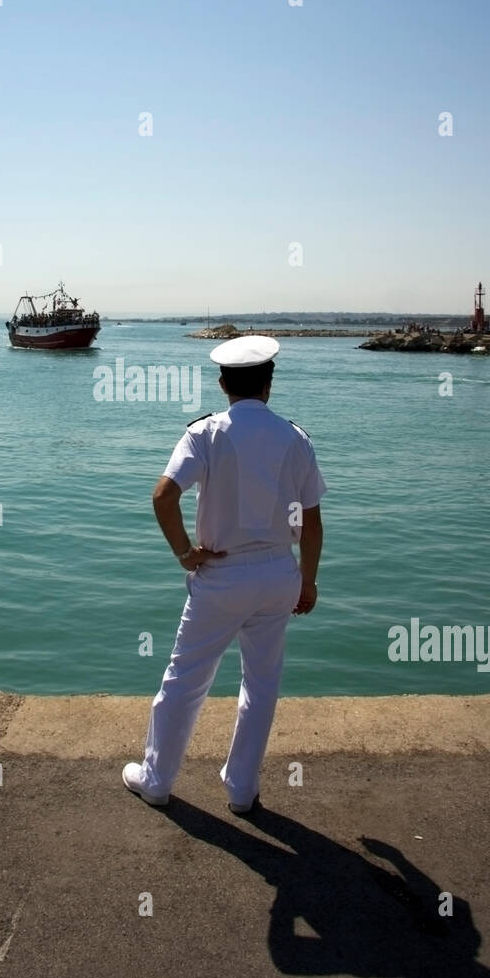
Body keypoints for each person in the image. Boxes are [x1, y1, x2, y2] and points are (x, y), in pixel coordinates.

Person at [123, 334, 326, 813]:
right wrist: (309, 580)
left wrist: (184, 553)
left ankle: (156, 780)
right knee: (261, 684)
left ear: (222, 384)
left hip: (222, 575)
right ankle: (241, 790)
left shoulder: (204, 434)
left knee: (185, 679)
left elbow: (163, 496)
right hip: (279, 573)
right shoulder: (295, 438)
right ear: (269, 382)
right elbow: (312, 521)